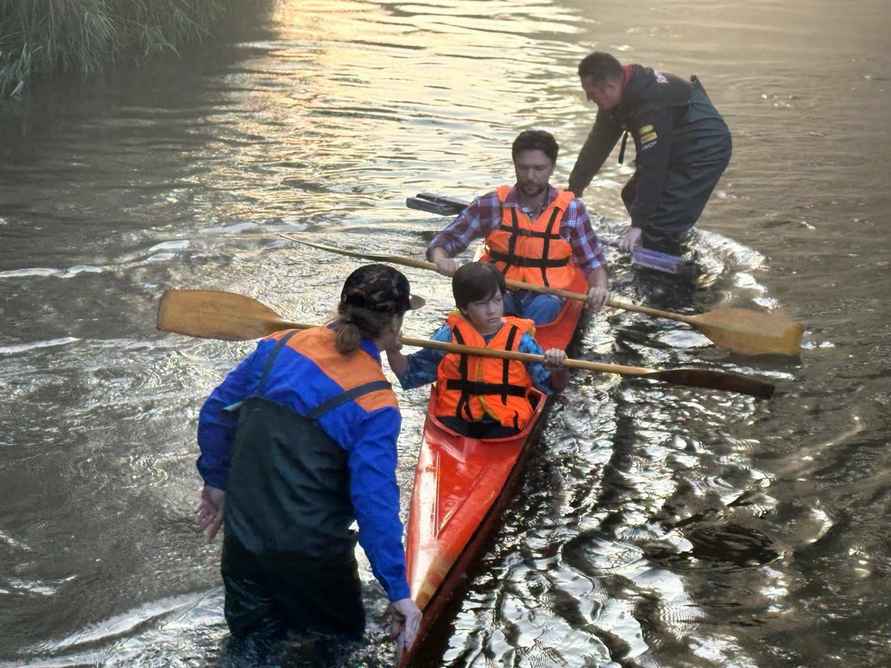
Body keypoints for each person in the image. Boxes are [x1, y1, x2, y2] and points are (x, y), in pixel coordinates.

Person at [194, 264, 423, 660]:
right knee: (335, 653)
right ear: (395, 325)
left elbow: (216, 413)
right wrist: (398, 591)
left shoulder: (277, 347)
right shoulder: (375, 403)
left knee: (248, 651)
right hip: (314, 562)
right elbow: (375, 504)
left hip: (244, 546)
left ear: (341, 306)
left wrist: (216, 484)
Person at [427, 129, 609, 326]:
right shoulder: (490, 204)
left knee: (545, 306)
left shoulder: (572, 210)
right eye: (524, 168)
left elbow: (593, 263)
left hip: (547, 295)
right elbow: (446, 241)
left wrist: (599, 288)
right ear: (515, 165)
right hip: (498, 292)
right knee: (489, 303)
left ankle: (525, 344)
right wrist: (441, 258)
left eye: (539, 168)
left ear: (552, 167)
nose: (530, 176)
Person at [568, 51, 732, 257]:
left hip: (704, 146)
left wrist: (638, 223)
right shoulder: (617, 96)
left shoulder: (648, 106)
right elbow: (596, 146)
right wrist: (573, 190)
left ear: (609, 87)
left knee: (659, 224)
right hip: (676, 138)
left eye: (591, 94)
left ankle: (668, 273)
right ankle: (667, 241)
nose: (589, 99)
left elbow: (653, 165)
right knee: (632, 195)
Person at [387, 262, 568, 438]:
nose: (492, 310)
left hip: (505, 425)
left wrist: (559, 368)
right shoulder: (448, 337)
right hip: (454, 421)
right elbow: (410, 373)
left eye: (497, 301)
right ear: (464, 308)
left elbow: (552, 386)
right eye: (481, 304)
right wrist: (393, 351)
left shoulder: (522, 341)